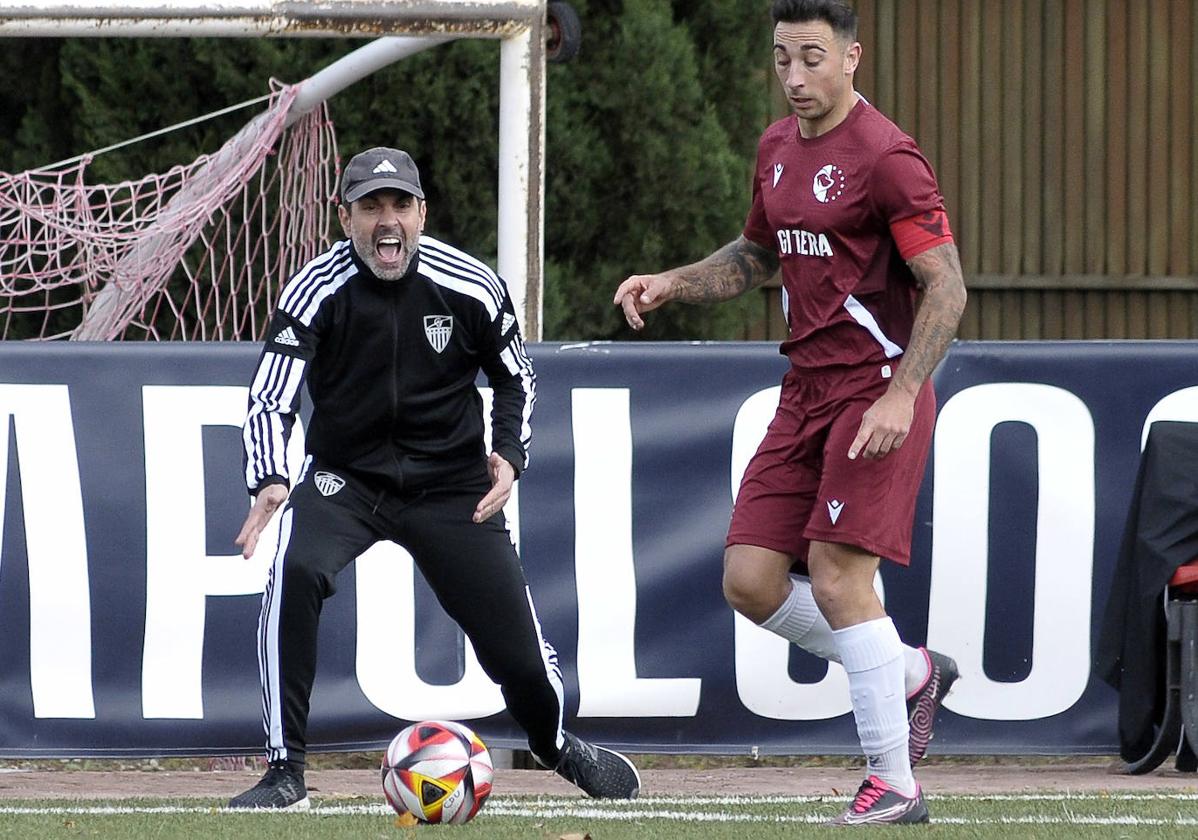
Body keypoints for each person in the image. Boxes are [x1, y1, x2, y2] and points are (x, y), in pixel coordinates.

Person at [614, 0, 965, 826]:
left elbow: (945, 286)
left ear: (852, 58)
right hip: (804, 391)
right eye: (782, 59)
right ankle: (908, 672)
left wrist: (902, 395)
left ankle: (894, 786)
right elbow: (756, 256)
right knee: (751, 581)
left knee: (841, 576)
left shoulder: (888, 157)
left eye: (812, 58)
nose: (795, 77)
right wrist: (674, 282)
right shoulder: (776, 147)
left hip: (874, 392)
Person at [229, 147, 641, 809]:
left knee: (519, 659)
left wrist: (509, 450)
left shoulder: (470, 282)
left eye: (399, 205)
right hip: (345, 479)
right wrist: (271, 478)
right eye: (370, 207)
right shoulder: (314, 288)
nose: (386, 222)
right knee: (296, 572)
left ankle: (554, 742)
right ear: (345, 217)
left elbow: (515, 377)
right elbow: (270, 395)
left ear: (422, 212)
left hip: (452, 486)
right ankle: (286, 771)